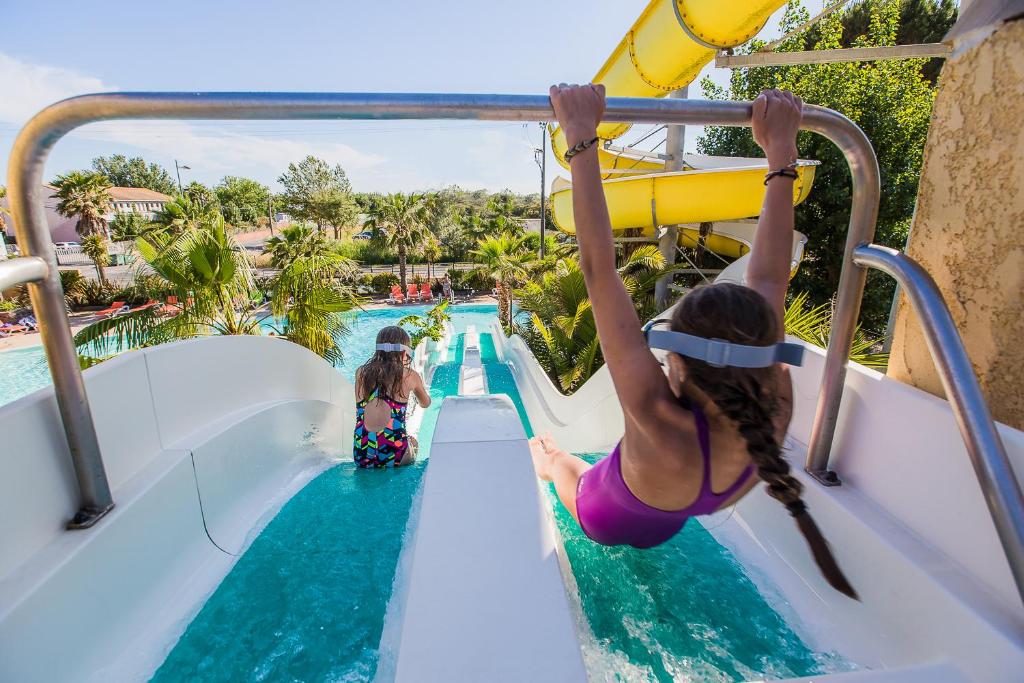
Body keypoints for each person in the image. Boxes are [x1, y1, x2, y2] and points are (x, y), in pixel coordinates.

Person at [532, 84, 857, 599]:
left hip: (604, 512)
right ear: (765, 354)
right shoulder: (770, 408)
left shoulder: (660, 419)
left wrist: (578, 140)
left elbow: (599, 272)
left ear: (678, 366)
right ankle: (554, 458)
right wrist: (782, 156)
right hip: (676, 518)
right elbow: (771, 279)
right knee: (587, 468)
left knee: (563, 466)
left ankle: (547, 457)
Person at [353, 326, 431, 468]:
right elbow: (425, 403)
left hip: (362, 453)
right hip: (395, 453)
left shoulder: (361, 373)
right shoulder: (409, 375)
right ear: (404, 352)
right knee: (413, 442)